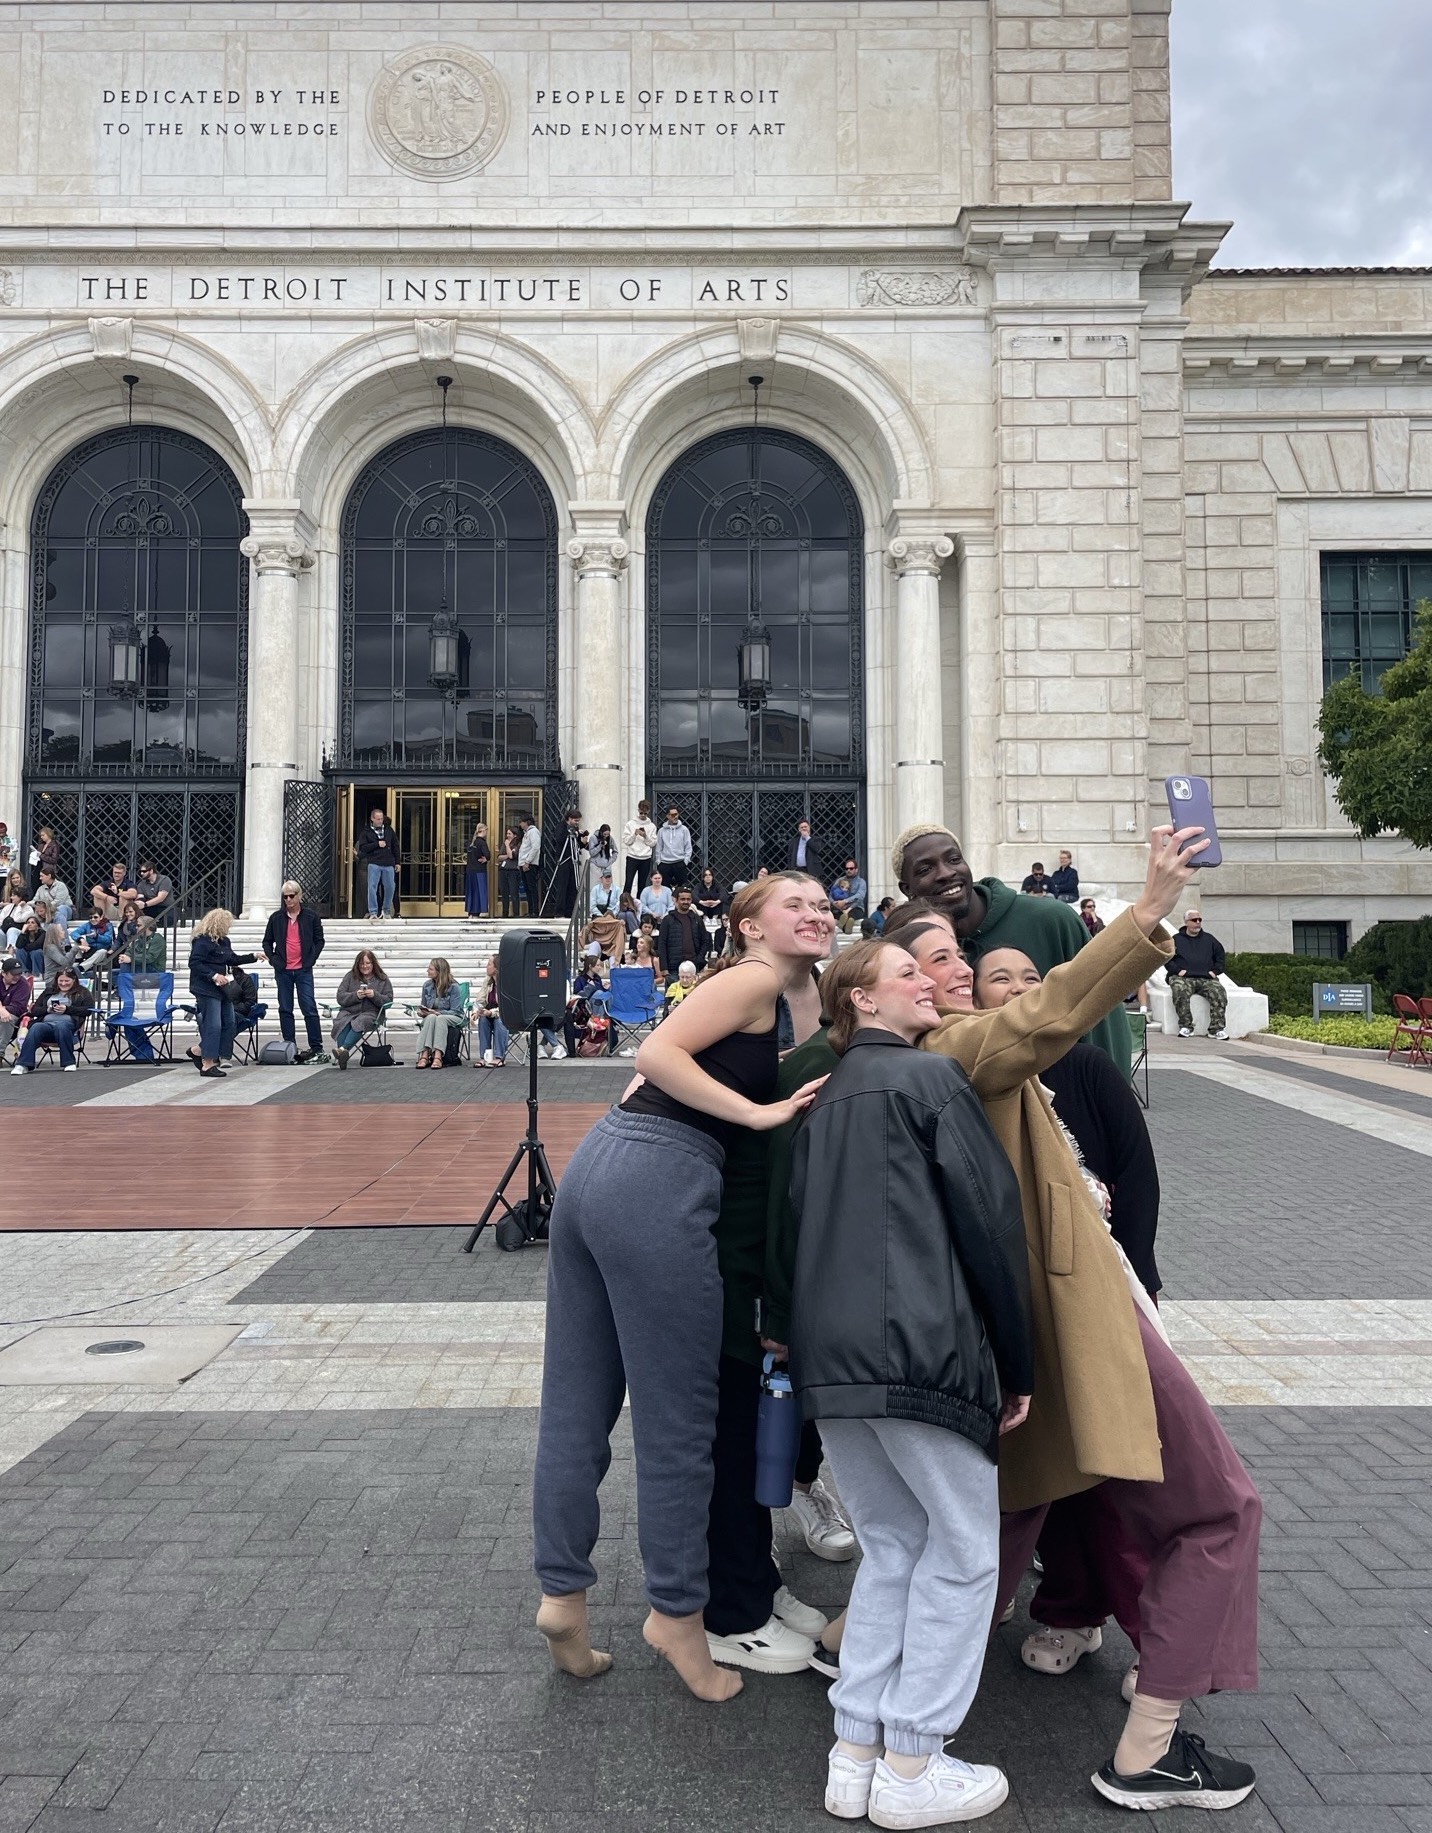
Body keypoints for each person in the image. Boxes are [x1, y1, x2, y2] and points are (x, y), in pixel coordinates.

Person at [531, 875, 830, 1702]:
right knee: (680, 1424)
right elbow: (655, 1052)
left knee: (576, 1402)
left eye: (823, 905)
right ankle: (678, 1618)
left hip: (605, 1164)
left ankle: (563, 1596)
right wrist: (760, 1115)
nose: (815, 913)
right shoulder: (755, 977)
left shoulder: (803, 996)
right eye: (793, 904)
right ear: (748, 926)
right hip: (663, 1176)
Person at [789, 939, 1033, 1826]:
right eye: (908, 973)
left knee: (894, 1545)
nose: (930, 981)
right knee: (965, 1553)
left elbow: (792, 1238)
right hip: (921, 1352)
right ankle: (914, 1761)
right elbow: (993, 1224)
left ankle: (856, 1753)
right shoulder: (929, 1083)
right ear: (860, 997)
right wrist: (1019, 1358)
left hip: (835, 1364)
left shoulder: (824, 1099)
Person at [894, 822, 1132, 1080]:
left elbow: (1101, 1014)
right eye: (926, 869)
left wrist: (1108, 1099)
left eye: (954, 859)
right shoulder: (901, 951)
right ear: (907, 889)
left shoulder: (1051, 921)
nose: (945, 873)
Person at [261, 880, 326, 1063]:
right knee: (285, 1008)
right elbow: (267, 941)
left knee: (309, 1007)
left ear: (299, 896)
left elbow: (319, 940)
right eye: (285, 897)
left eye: (292, 896)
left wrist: (311, 959)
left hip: (303, 969)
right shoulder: (276, 918)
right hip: (283, 970)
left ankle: (316, 1047)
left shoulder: (311, 917)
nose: (288, 899)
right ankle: (290, 1044)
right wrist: (274, 959)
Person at [186, 908, 255, 1077]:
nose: (228, 927)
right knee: (213, 1025)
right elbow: (194, 963)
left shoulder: (224, 942)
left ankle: (198, 1050)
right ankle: (208, 1063)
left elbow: (232, 959)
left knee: (229, 1023)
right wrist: (214, 975)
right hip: (206, 988)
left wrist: (253, 956)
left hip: (223, 989)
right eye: (226, 924)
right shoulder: (202, 941)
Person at [10, 965, 92, 1074]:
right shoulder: (49, 991)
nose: (63, 984)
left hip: (69, 1027)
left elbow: (88, 1010)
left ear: (74, 980)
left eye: (67, 981)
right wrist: (47, 1009)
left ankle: (69, 1062)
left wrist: (67, 1009)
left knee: (61, 1026)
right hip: (46, 1025)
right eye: (60, 981)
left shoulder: (83, 992)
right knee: (36, 1027)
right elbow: (34, 1010)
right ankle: (23, 1064)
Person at [1168, 908, 1229, 1039]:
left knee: (1219, 992)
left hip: (1206, 978)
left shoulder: (1210, 939)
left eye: (1199, 920)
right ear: (1186, 922)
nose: (1198, 923)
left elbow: (1220, 957)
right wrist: (1178, 971)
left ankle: (1216, 1029)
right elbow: (1167, 958)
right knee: (1179, 990)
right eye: (1194, 920)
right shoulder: (1176, 939)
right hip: (1183, 978)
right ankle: (1186, 1026)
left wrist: (1215, 971)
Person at [331, 948, 392, 1070]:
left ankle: (342, 1050)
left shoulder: (382, 979)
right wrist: (355, 995)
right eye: (362, 963)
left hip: (372, 1013)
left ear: (373, 963)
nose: (365, 966)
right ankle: (342, 1054)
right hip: (349, 1011)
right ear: (357, 964)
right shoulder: (350, 976)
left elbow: (388, 1001)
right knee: (343, 1022)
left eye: (368, 963)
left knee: (361, 1021)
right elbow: (340, 997)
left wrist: (375, 995)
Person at [415, 957, 465, 1069]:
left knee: (439, 1018)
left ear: (439, 971)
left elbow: (455, 1010)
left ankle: (438, 1055)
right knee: (431, 1017)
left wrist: (439, 1012)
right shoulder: (427, 985)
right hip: (433, 1017)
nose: (427, 971)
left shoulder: (454, 987)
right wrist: (422, 1012)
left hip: (454, 1016)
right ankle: (425, 1054)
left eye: (430, 969)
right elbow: (424, 1005)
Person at [657, 884, 709, 978]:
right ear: (676, 901)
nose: (686, 902)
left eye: (688, 899)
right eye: (682, 899)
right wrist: (664, 968)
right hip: (673, 968)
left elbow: (705, 941)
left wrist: (699, 959)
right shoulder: (668, 920)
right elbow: (662, 944)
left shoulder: (697, 919)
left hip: (693, 966)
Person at [357, 806, 400, 920]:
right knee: (372, 887)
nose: (380, 821)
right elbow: (363, 847)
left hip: (388, 862)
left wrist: (397, 862)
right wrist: (377, 844)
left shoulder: (389, 830)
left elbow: (395, 846)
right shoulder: (366, 832)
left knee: (390, 886)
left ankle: (386, 910)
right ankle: (373, 912)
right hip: (374, 862)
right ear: (372, 819)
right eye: (377, 819)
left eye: (381, 818)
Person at [550, 809, 585, 918]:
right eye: (575, 820)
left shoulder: (575, 829)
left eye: (578, 820)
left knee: (573, 887)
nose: (577, 822)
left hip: (573, 860)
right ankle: (559, 912)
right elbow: (560, 840)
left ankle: (570, 912)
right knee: (562, 886)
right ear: (568, 819)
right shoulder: (561, 827)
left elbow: (577, 844)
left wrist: (582, 840)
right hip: (563, 860)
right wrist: (571, 833)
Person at [621, 800, 659, 898]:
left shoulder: (652, 826)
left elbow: (653, 843)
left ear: (648, 812)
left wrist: (645, 836)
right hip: (632, 856)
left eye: (645, 813)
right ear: (638, 810)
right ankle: (625, 904)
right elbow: (626, 841)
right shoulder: (630, 824)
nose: (642, 815)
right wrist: (634, 834)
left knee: (642, 884)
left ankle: (640, 905)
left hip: (645, 858)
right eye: (641, 812)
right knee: (628, 882)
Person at [476, 954, 509, 1066]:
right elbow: (480, 1000)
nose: (486, 966)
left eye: (489, 964)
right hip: (490, 1014)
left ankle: (499, 1057)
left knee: (500, 1021)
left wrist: (491, 1012)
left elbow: (506, 1008)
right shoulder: (488, 981)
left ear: (496, 968)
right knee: (483, 1020)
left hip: (506, 1016)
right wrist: (479, 1011)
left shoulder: (506, 983)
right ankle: (485, 1056)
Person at [586, 870, 626, 960]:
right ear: (601, 879)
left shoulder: (617, 889)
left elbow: (619, 904)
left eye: (609, 877)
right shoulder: (595, 889)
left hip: (612, 915)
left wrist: (611, 915)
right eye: (606, 877)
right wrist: (602, 916)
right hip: (599, 915)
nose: (608, 879)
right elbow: (592, 906)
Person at [652, 803, 693, 889]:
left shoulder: (684, 829)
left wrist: (685, 861)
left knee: (683, 889)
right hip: (665, 864)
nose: (676, 817)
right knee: (664, 889)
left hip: (679, 862)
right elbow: (659, 847)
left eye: (677, 814)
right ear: (668, 816)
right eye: (673, 815)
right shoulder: (661, 831)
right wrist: (659, 861)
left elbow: (688, 846)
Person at [0, 957, 32, 1064]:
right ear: (4, 973)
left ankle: (0, 1054)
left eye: (19, 973)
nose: (17, 976)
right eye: (14, 974)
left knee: (6, 1019)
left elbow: (17, 1008)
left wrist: (3, 1011)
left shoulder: (23, 984)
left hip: (14, 1017)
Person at [827, 858, 867, 932]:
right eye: (847, 868)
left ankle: (844, 926)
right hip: (838, 908)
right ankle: (845, 927)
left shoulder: (861, 882)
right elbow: (831, 895)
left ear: (856, 869)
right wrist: (834, 903)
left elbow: (860, 896)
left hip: (855, 907)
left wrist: (845, 901)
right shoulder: (839, 881)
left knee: (850, 916)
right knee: (835, 915)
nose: (848, 870)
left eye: (851, 868)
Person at [133, 859, 177, 925]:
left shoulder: (164, 880)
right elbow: (140, 896)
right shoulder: (141, 884)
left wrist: (145, 904)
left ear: (151, 871)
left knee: (169, 919)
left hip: (165, 907)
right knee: (137, 916)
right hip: (150, 908)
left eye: (144, 871)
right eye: (141, 871)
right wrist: (139, 902)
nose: (141, 873)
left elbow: (161, 898)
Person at [785, 817, 824, 884]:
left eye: (805, 826)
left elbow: (816, 849)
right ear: (799, 829)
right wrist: (791, 867)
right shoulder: (794, 841)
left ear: (809, 827)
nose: (804, 828)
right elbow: (789, 855)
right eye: (801, 827)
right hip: (797, 870)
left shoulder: (816, 839)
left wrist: (807, 838)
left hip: (811, 869)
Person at [32, 866, 72, 930]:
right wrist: (27, 904)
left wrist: (46, 907)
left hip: (65, 910)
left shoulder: (61, 886)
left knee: (61, 908)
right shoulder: (40, 888)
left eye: (42, 876)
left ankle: (61, 931)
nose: (40, 878)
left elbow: (59, 902)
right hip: (46, 911)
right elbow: (35, 900)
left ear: (49, 876)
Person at [517, 811, 541, 914]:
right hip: (524, 863)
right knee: (527, 888)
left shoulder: (533, 832)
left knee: (532, 888)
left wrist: (527, 861)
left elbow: (535, 847)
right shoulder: (526, 833)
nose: (520, 824)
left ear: (526, 822)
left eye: (521, 822)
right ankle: (530, 910)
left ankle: (534, 911)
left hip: (529, 864)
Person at [465, 824, 491, 919]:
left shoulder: (472, 842)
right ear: (483, 831)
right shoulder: (482, 843)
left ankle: (471, 912)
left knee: (471, 891)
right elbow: (487, 855)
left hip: (470, 870)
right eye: (486, 831)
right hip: (479, 871)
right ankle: (476, 913)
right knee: (479, 891)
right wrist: (486, 859)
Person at [1, 870, 33, 945]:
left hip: (18, 928)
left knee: (11, 931)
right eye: (13, 878)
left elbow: (17, 919)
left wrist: (18, 906)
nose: (15, 880)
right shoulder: (6, 890)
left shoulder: (28, 909)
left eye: (17, 878)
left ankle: (11, 953)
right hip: (5, 926)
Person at [498, 826, 522, 918]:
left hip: (513, 870)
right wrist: (507, 855)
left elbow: (512, 856)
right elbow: (499, 857)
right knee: (504, 892)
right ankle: (505, 913)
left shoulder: (518, 844)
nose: (507, 836)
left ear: (515, 835)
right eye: (507, 833)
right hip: (504, 870)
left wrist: (508, 847)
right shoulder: (504, 844)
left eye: (509, 834)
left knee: (513, 892)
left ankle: (516, 913)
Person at [11, 914, 45, 979]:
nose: (30, 924)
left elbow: (36, 945)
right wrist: (22, 932)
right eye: (28, 923)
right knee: (20, 951)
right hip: (28, 959)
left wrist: (25, 947)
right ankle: (23, 972)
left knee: (36, 952)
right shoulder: (25, 934)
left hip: (39, 959)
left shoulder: (42, 933)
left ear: (37, 925)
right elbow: (18, 945)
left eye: (32, 923)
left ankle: (37, 974)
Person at [30, 825, 58, 893]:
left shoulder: (54, 845)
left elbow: (54, 859)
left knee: (46, 885)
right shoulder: (41, 845)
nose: (41, 837)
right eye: (41, 835)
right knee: (35, 884)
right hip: (39, 867)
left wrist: (41, 856)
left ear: (48, 834)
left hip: (47, 868)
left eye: (43, 835)